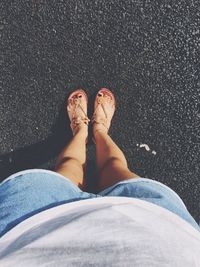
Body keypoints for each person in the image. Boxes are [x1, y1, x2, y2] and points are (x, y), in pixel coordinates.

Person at [0, 88, 200, 266]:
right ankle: (98, 130)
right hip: (156, 230)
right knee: (114, 167)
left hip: (32, 225)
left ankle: (82, 131)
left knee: (69, 165)